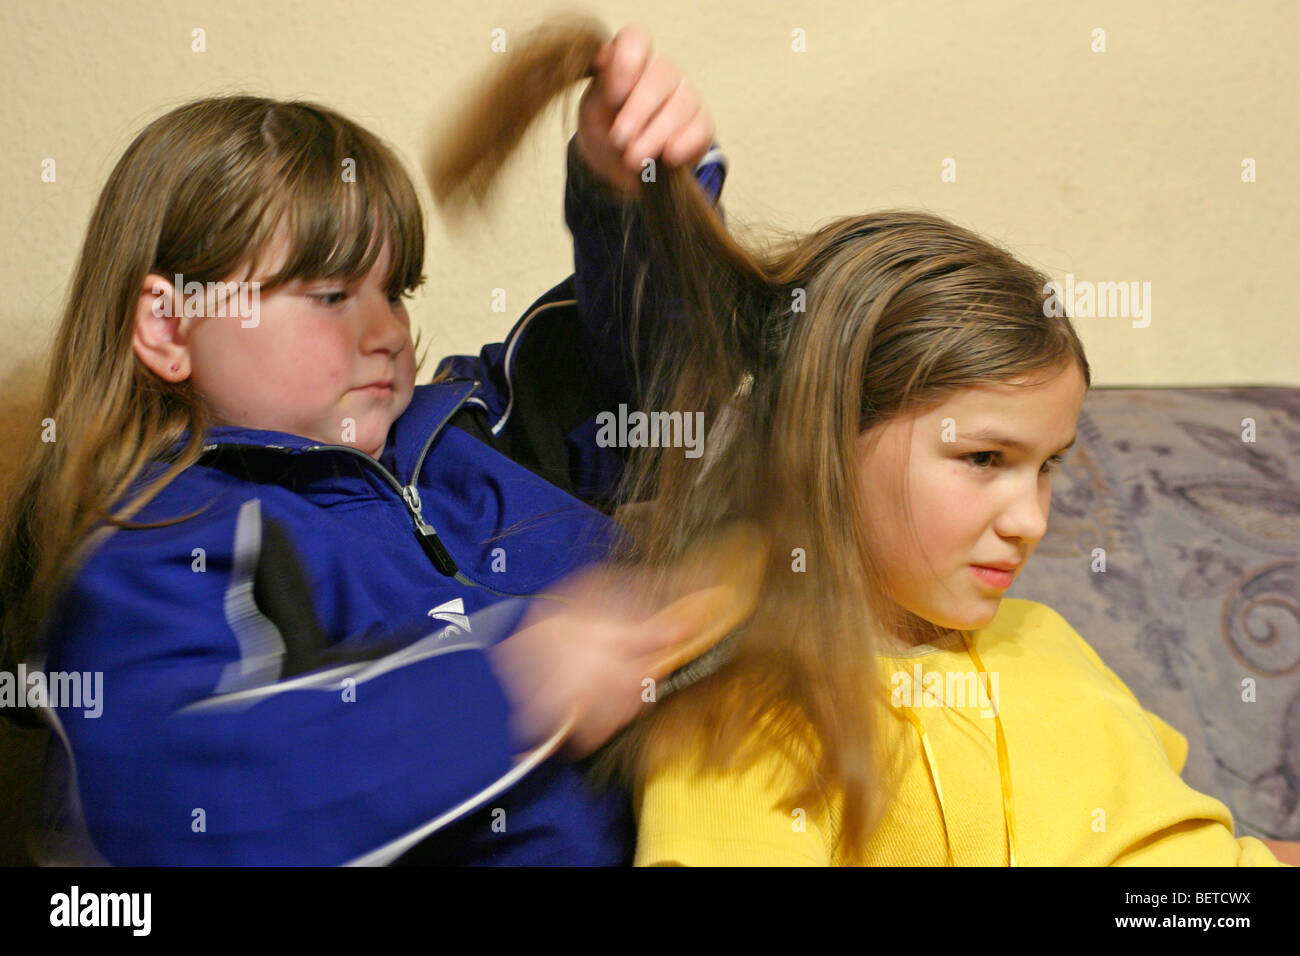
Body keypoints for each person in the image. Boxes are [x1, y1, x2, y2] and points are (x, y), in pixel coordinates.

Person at [0, 23, 725, 865]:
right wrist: (512, 689)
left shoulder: (468, 424)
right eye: (333, 293)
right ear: (168, 324)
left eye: (398, 290)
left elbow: (647, 393)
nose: (387, 331)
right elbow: (162, 799)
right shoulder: (160, 539)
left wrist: (636, 203)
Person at [601, 193, 1296, 865]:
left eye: (1048, 465)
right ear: (822, 442)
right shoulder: (747, 723)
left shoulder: (1049, 642)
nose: (1032, 521)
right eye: (983, 459)